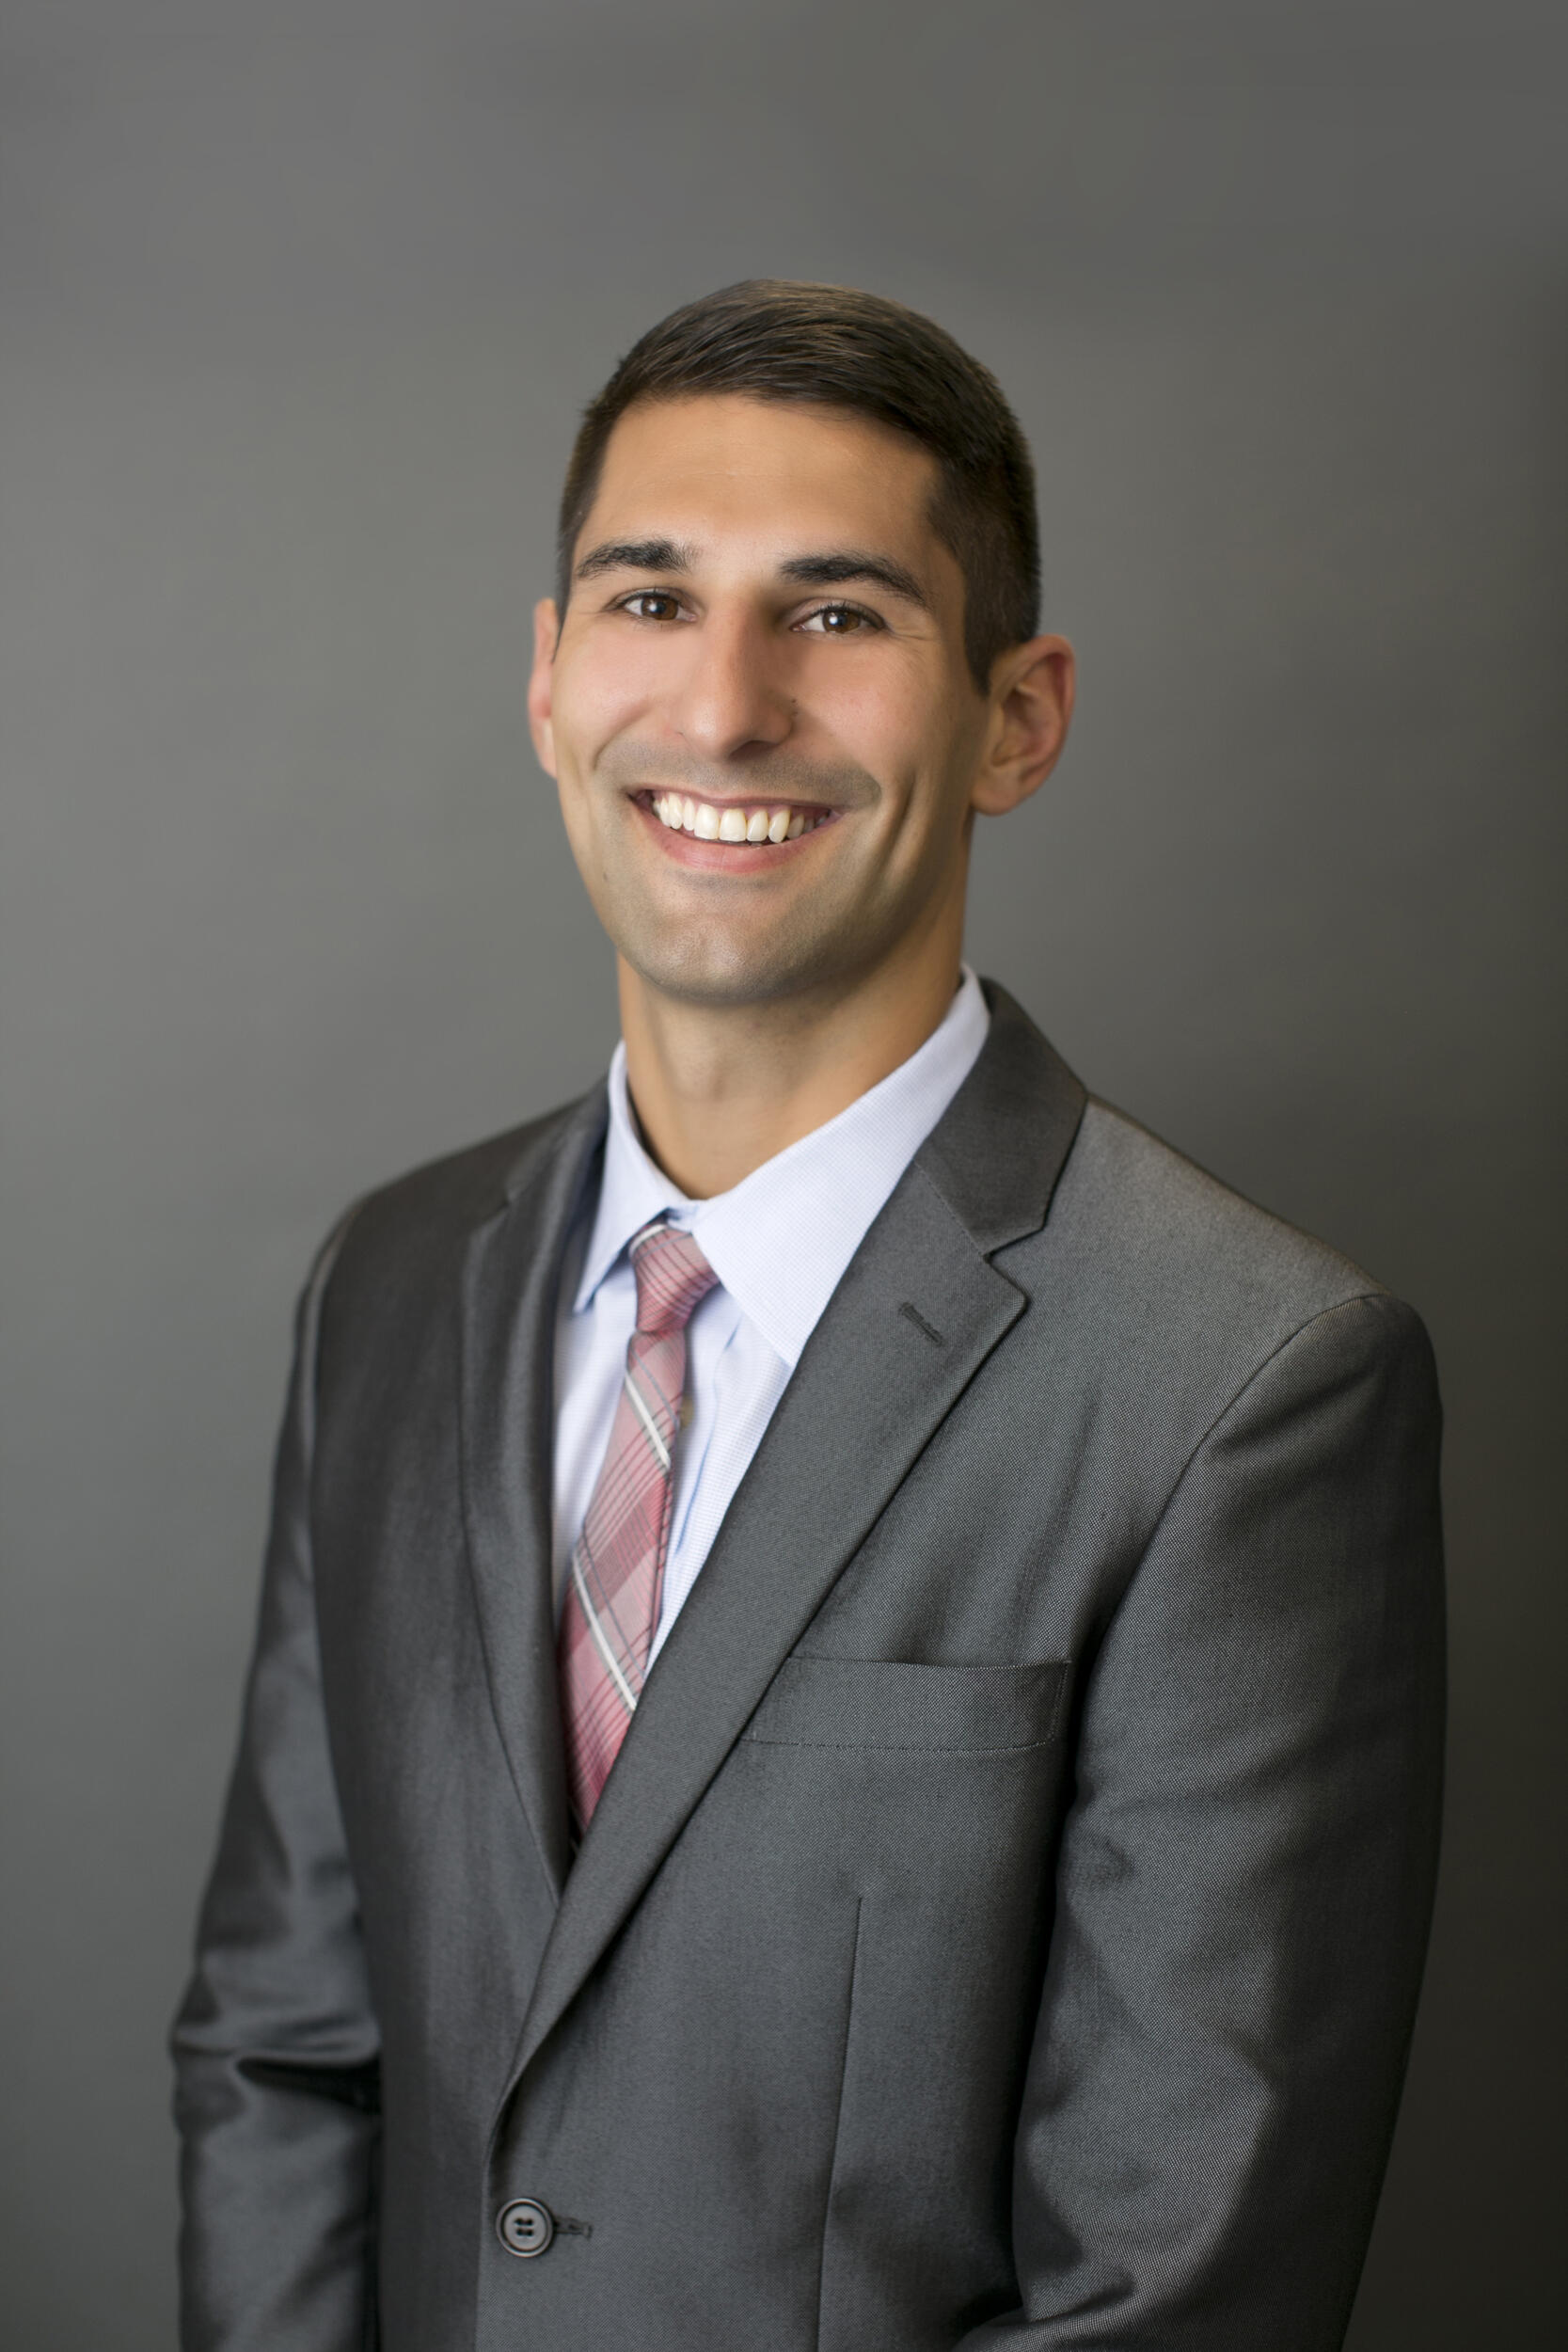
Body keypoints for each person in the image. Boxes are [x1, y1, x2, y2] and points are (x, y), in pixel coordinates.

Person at [171, 279, 1445, 2352]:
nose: (727, 707)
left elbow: (1175, 2287)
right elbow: (285, 2052)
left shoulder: (1248, 1381)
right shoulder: (393, 1284)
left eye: (838, 614)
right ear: (550, 680)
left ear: (1014, 717)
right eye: (650, 601)